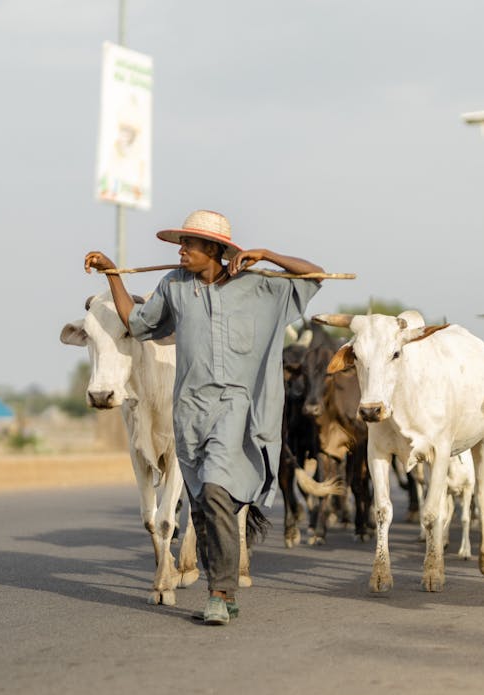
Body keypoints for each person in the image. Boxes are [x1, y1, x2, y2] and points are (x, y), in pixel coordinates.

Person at [85, 209, 324, 625]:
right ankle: (225, 589)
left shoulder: (261, 287)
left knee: (214, 490)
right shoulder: (174, 287)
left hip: (238, 408)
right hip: (190, 411)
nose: (181, 251)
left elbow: (315, 275)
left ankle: (218, 593)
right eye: (180, 244)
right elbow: (138, 325)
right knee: (200, 504)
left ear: (214, 250)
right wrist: (112, 275)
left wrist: (268, 254)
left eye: (189, 245)